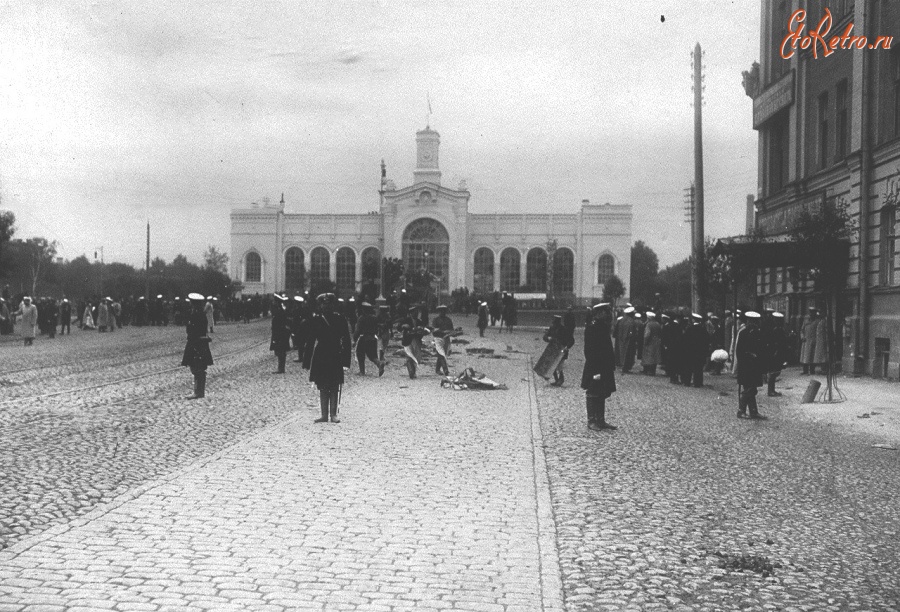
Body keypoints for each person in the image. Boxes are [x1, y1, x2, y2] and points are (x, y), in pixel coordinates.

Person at [302, 293, 352, 423]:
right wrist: (306, 361)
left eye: (328, 304)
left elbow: (346, 339)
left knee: (334, 385)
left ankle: (333, 415)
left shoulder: (339, 319)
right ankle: (324, 415)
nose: (326, 306)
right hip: (321, 355)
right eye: (324, 304)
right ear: (320, 305)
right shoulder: (317, 320)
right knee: (322, 385)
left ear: (332, 305)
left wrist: (346, 361)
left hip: (335, 354)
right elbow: (311, 340)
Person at [581, 302, 617, 430]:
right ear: (597, 314)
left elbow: (607, 347)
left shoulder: (603, 327)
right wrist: (595, 369)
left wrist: (611, 364)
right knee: (592, 392)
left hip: (604, 366)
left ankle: (601, 420)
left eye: (605, 312)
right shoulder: (592, 328)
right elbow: (589, 350)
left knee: (602, 392)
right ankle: (591, 421)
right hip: (595, 366)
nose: (605, 314)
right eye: (603, 312)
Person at [182, 293, 214, 399]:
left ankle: (198, 392)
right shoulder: (198, 313)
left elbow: (195, 330)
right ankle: (198, 391)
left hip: (196, 343)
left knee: (198, 368)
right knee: (196, 367)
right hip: (197, 342)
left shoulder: (197, 314)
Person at [735, 311, 765, 419]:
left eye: (755, 321)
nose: (753, 323)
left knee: (752, 389)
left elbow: (761, 350)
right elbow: (739, 351)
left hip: (755, 366)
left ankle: (753, 411)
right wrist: (746, 360)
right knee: (749, 389)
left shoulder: (758, 333)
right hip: (746, 366)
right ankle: (741, 411)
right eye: (751, 321)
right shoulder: (743, 333)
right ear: (748, 321)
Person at [354, 302, 384, 376]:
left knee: (360, 354)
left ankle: (362, 371)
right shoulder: (374, 318)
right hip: (373, 338)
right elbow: (378, 328)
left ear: (363, 310)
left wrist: (354, 339)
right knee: (372, 355)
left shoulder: (361, 318)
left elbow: (358, 330)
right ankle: (379, 363)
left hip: (364, 338)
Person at [543, 314, 574, 386]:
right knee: (552, 365)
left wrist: (567, 347)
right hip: (553, 349)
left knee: (559, 366)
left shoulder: (564, 329)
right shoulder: (552, 328)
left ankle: (561, 379)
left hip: (561, 349)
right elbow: (545, 336)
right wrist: (548, 338)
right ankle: (557, 380)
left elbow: (571, 340)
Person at [682, 313, 710, 387]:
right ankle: (698, 383)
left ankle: (687, 382)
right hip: (700, 352)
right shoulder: (703, 329)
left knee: (688, 367)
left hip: (690, 352)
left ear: (693, 320)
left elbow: (685, 340)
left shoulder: (689, 329)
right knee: (698, 368)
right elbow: (707, 341)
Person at [765, 312, 790, 397]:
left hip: (778, 352)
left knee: (775, 371)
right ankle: (770, 391)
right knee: (773, 372)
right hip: (775, 353)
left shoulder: (778, 329)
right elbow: (774, 342)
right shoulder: (776, 329)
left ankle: (772, 390)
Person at [270, 294, 291, 374]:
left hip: (279, 334)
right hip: (279, 333)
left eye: (274, 301)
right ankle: (281, 368)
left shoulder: (279, 311)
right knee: (279, 351)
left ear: (277, 302)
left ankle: (281, 368)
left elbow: (279, 324)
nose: (273, 303)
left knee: (280, 351)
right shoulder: (279, 310)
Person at [431, 304, 455, 376]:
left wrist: (451, 332)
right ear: (439, 311)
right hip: (438, 339)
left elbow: (452, 329)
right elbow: (433, 330)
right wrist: (442, 331)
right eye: (441, 311)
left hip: (446, 338)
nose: (442, 312)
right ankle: (445, 370)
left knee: (442, 354)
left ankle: (437, 369)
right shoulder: (436, 320)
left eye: (444, 311)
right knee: (441, 354)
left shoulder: (448, 320)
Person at [800, 307, 818, 375]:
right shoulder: (806, 321)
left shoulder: (817, 321)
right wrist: (802, 337)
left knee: (812, 356)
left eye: (813, 312)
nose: (811, 314)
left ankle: (812, 370)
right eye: (811, 312)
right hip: (806, 340)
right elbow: (802, 330)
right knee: (805, 356)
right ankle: (805, 370)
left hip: (814, 340)